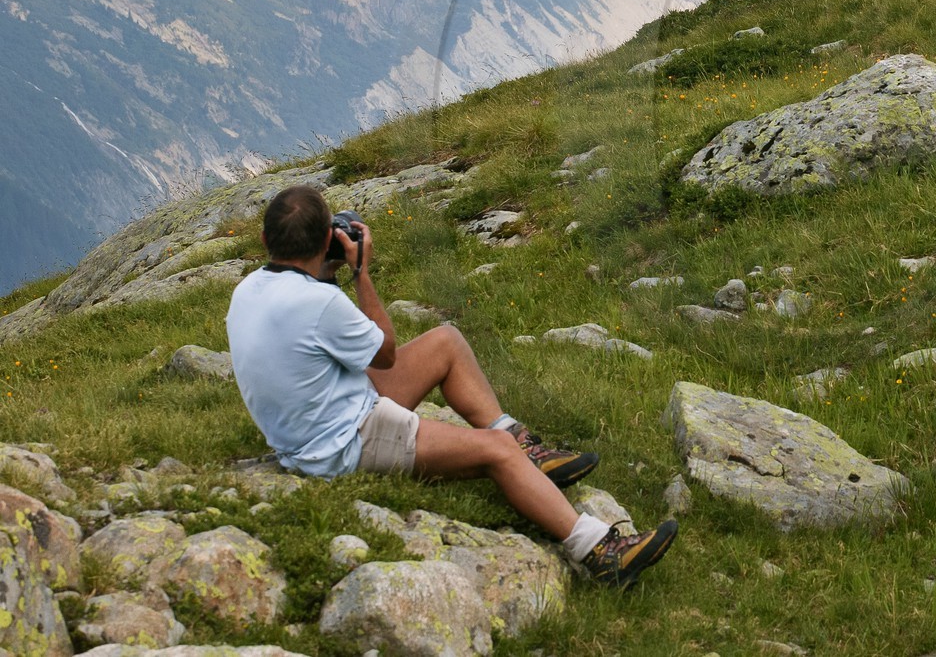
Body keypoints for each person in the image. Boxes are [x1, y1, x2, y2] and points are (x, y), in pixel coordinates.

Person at [225, 184, 675, 587]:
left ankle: (529, 449)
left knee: (445, 342)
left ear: (265, 241)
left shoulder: (247, 290)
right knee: (497, 450)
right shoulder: (320, 303)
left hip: (309, 422)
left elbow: (311, 334)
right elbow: (384, 352)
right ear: (328, 240)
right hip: (341, 444)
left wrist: (323, 268)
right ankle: (599, 551)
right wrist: (361, 273)